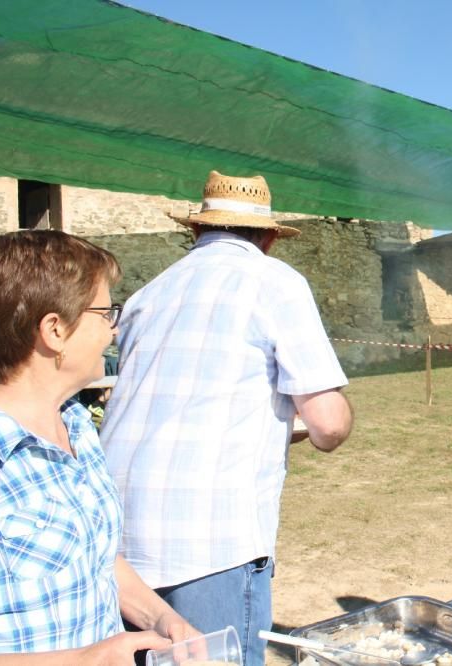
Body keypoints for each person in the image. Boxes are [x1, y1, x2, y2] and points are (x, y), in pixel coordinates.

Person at [101, 171, 353, 666]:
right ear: (271, 237)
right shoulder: (275, 280)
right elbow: (326, 424)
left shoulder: (149, 291)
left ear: (196, 231)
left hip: (113, 532)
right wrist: (341, 415)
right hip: (208, 533)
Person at [0, 230, 196, 663]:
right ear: (54, 330)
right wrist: (80, 659)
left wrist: (160, 617)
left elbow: (95, 559)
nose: (113, 328)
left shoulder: (76, 424)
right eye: (106, 312)